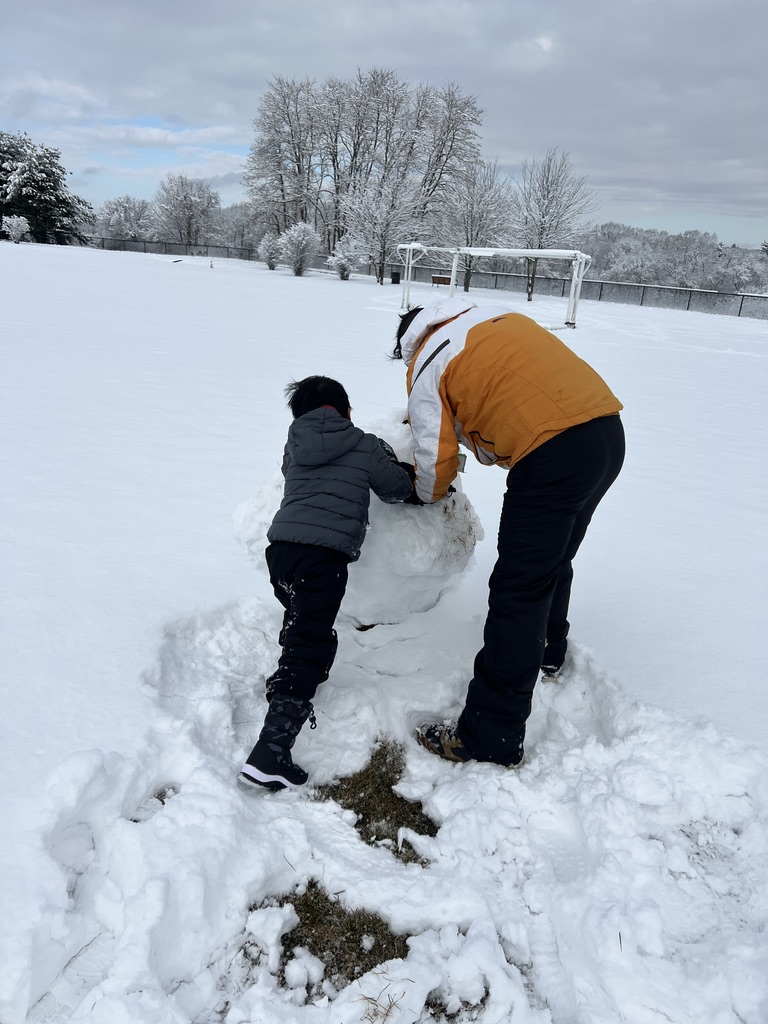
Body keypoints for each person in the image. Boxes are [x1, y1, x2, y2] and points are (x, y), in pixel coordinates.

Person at [393, 297, 625, 768]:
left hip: (552, 453)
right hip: (607, 434)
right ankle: (549, 651)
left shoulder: (428, 361)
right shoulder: (496, 319)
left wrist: (423, 494)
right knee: (552, 560)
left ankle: (489, 735)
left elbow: (434, 461)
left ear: (407, 343)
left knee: (517, 590)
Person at [239, 375, 414, 791]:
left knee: (300, 620)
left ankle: (288, 679)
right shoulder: (363, 444)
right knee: (310, 643)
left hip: (281, 550)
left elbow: (293, 473)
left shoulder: (294, 445)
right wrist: (400, 466)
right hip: (323, 555)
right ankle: (269, 754)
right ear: (346, 411)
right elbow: (395, 489)